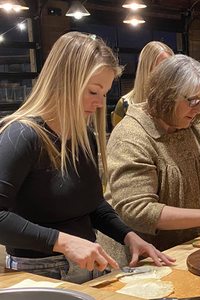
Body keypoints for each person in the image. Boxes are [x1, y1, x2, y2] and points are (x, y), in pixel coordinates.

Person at [0, 32, 174, 283]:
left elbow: (92, 205)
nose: (100, 103)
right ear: (63, 82)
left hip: (90, 267)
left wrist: (128, 235)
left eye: (104, 94)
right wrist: (61, 241)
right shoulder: (22, 135)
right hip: (40, 273)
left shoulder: (84, 136)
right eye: (93, 92)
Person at [98, 54, 200, 266]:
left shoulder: (192, 127)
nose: (199, 109)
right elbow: (138, 210)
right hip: (142, 262)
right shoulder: (132, 136)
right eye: (193, 101)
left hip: (183, 252)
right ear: (167, 97)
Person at [111, 41, 174, 127]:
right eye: (161, 68)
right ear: (146, 69)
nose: (167, 74)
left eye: (170, 68)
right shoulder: (125, 106)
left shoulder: (177, 103)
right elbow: (118, 139)